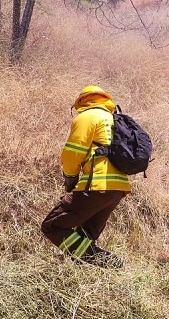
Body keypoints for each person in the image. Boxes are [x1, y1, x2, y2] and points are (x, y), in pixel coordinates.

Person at [41, 85, 129, 268]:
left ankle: (111, 262)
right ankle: (73, 273)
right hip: (118, 189)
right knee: (84, 238)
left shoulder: (88, 116)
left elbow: (72, 153)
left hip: (96, 186)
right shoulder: (113, 119)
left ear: (82, 101)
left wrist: (70, 179)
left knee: (52, 226)